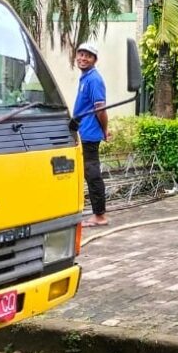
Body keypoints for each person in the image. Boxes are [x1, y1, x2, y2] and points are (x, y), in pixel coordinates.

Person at [74, 41, 109, 227]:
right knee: (87, 172)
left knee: (92, 173)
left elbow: (100, 109)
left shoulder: (94, 79)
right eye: (80, 54)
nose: (83, 58)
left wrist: (104, 130)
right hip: (82, 131)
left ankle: (100, 216)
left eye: (88, 56)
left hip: (89, 134)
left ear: (94, 60)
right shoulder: (86, 78)